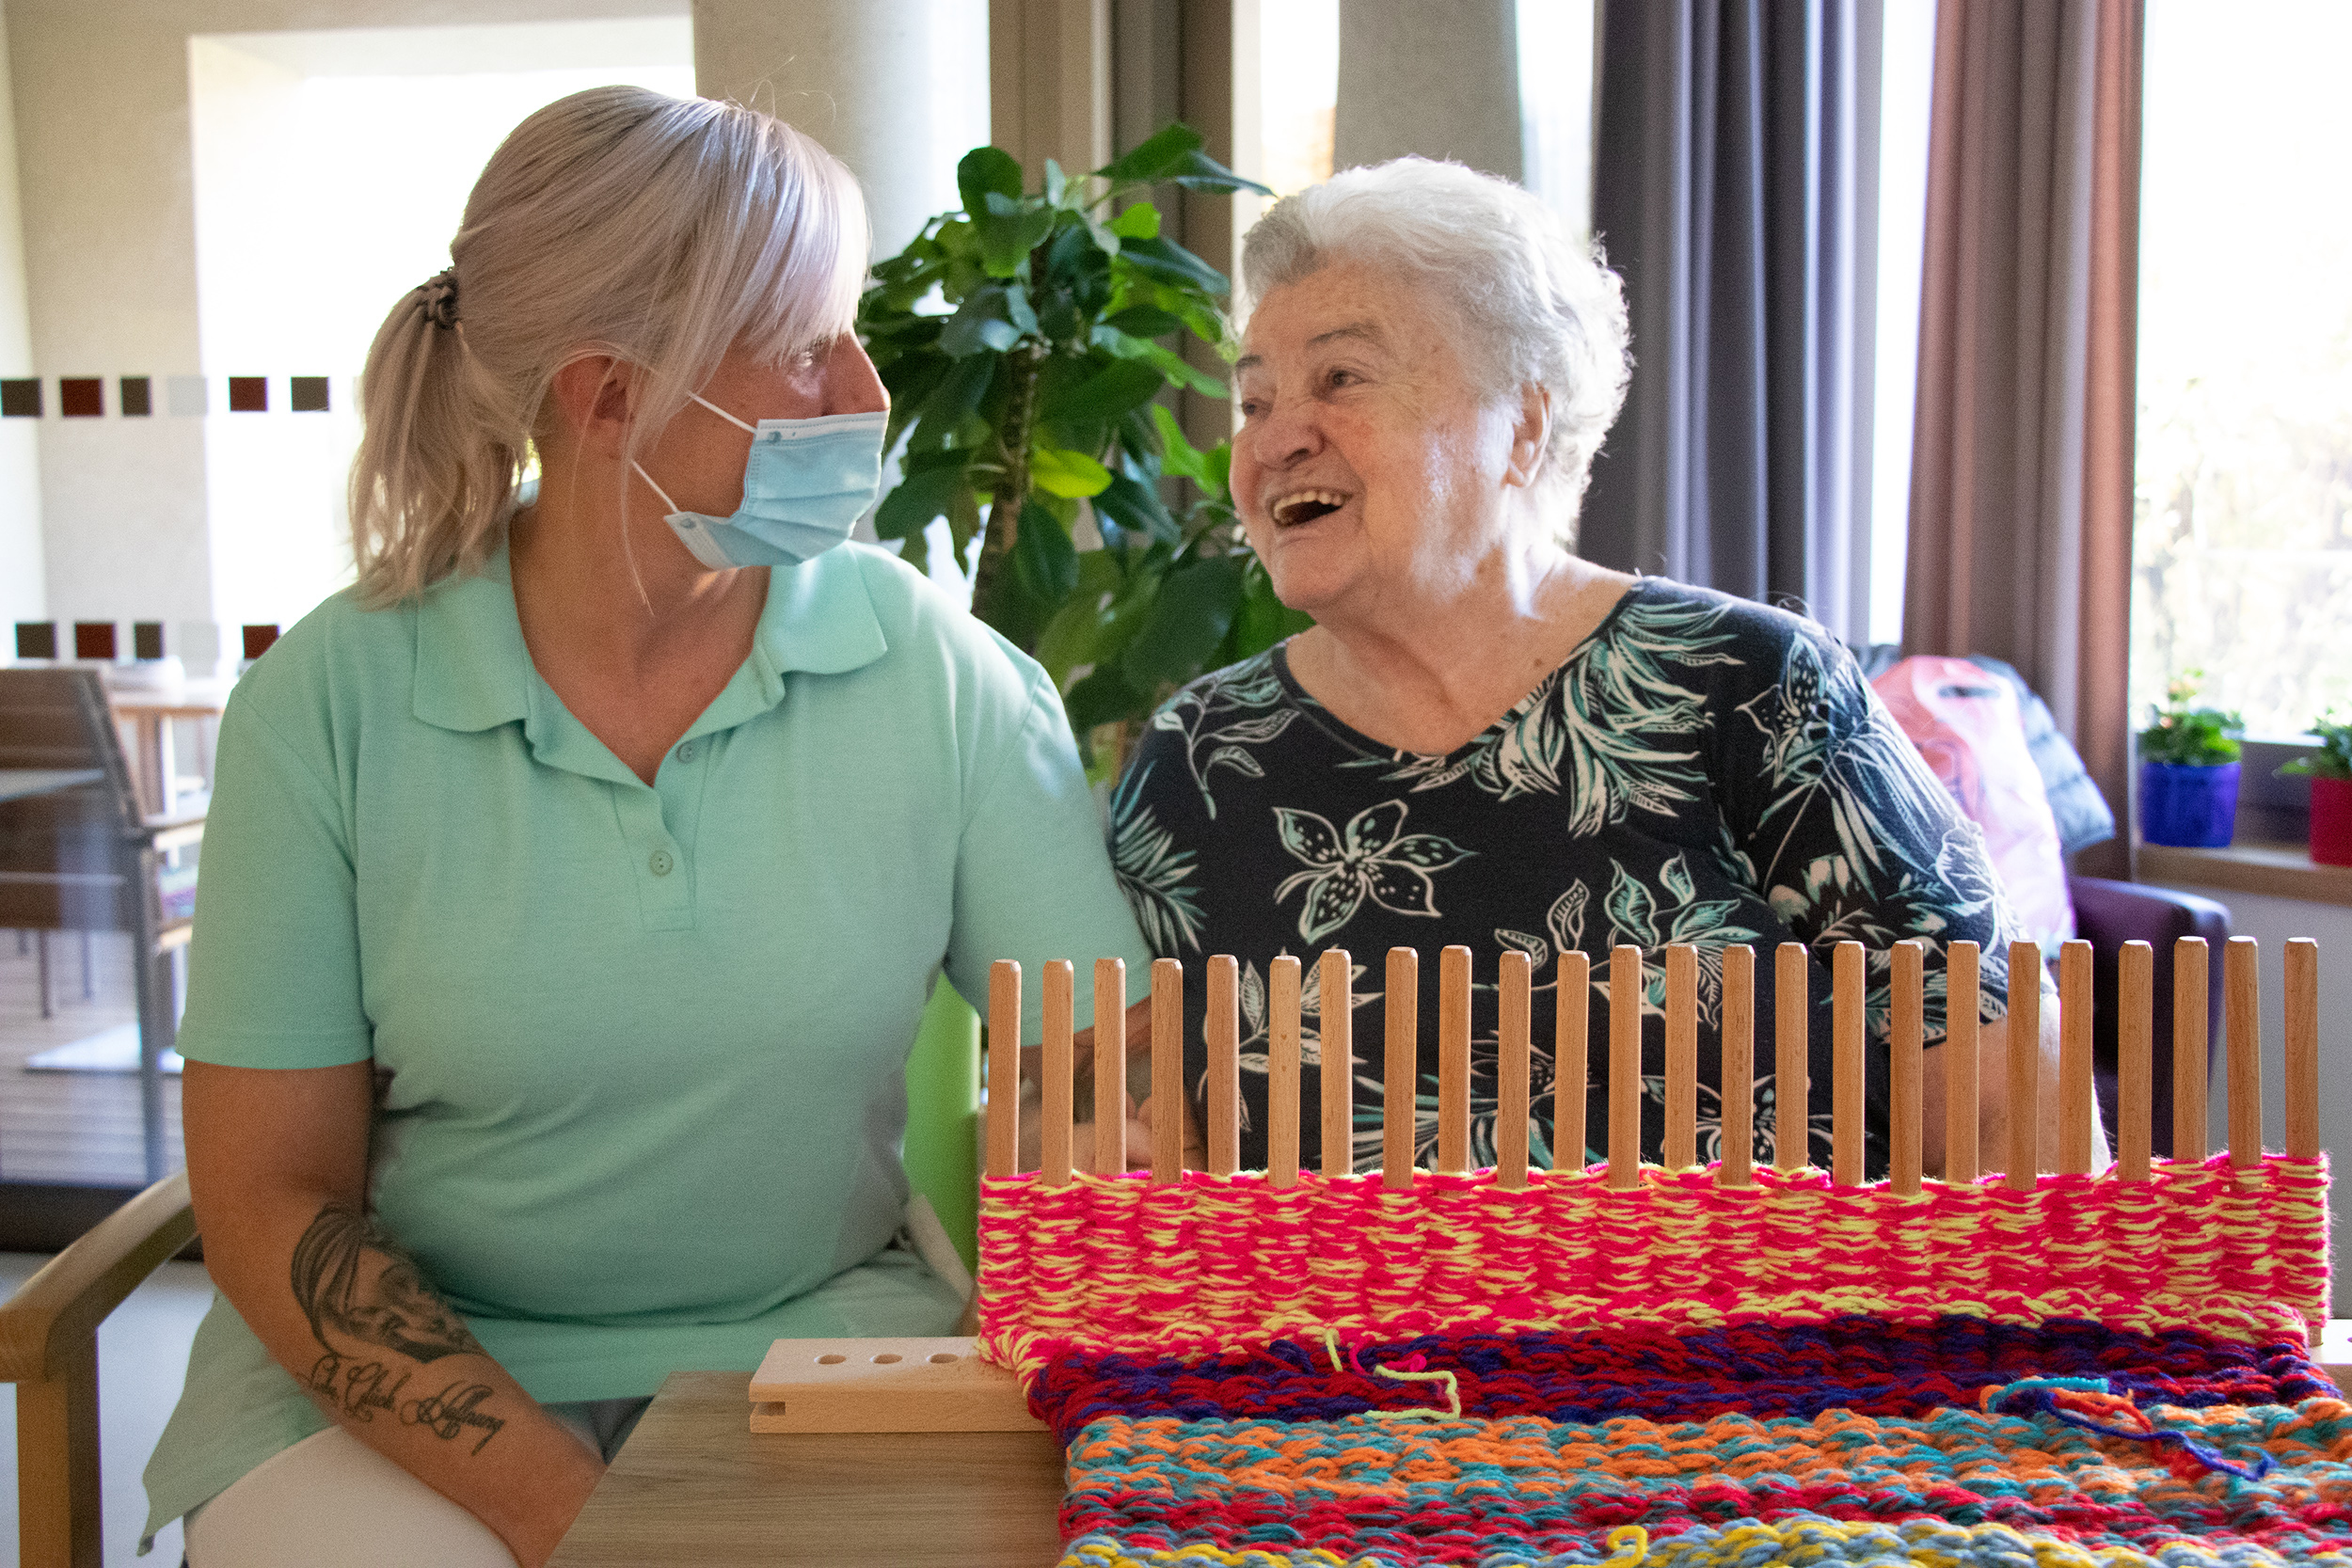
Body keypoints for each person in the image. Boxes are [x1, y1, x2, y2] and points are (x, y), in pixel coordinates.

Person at [143, 87, 1151, 1567]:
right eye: (808, 346)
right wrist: (587, 1518)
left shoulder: (936, 673)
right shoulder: (330, 705)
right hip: (389, 1395)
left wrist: (1097, 1255)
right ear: (607, 395)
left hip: (821, 1352)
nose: (865, 390)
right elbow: (272, 1196)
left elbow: (1099, 1064)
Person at [1111, 157, 2094, 1181]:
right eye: (1253, 397)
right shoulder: (1202, 761)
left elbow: (2007, 1110)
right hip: (1349, 1346)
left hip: (1774, 1339)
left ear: (1523, 428)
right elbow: (1115, 1129)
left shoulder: (1747, 685)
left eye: (1340, 377)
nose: (1275, 440)